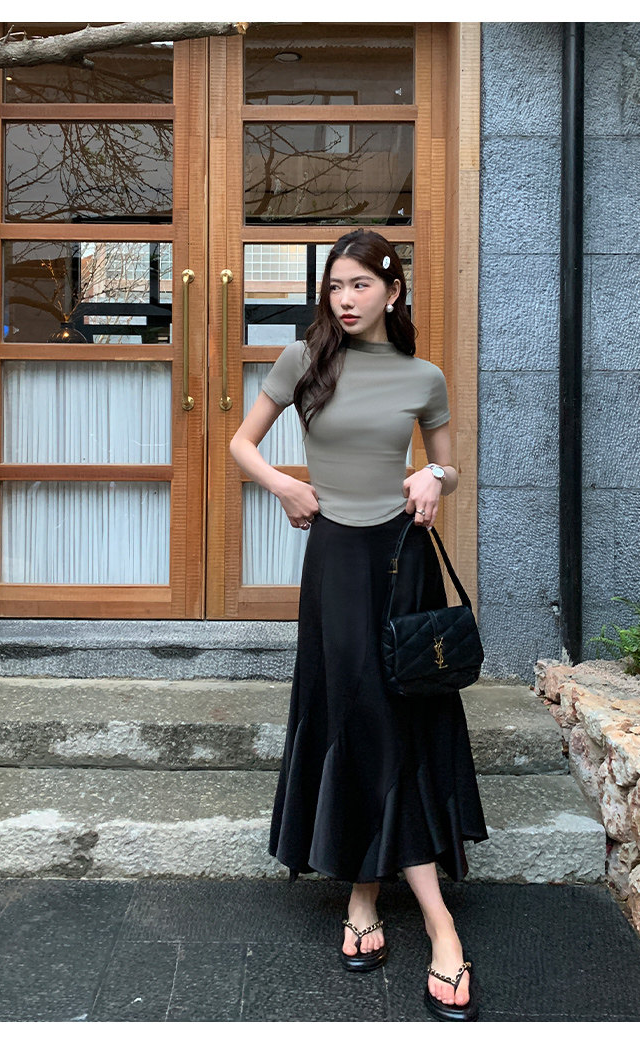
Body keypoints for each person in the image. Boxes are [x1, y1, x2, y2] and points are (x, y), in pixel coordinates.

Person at [230, 228, 489, 1021]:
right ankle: (439, 925)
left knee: (399, 714)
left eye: (360, 285)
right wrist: (284, 485)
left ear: (392, 291)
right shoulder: (303, 361)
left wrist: (432, 474)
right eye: (335, 286)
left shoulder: (423, 376)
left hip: (403, 560)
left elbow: (451, 464)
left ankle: (365, 896)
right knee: (360, 713)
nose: (345, 299)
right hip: (337, 561)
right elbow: (240, 442)